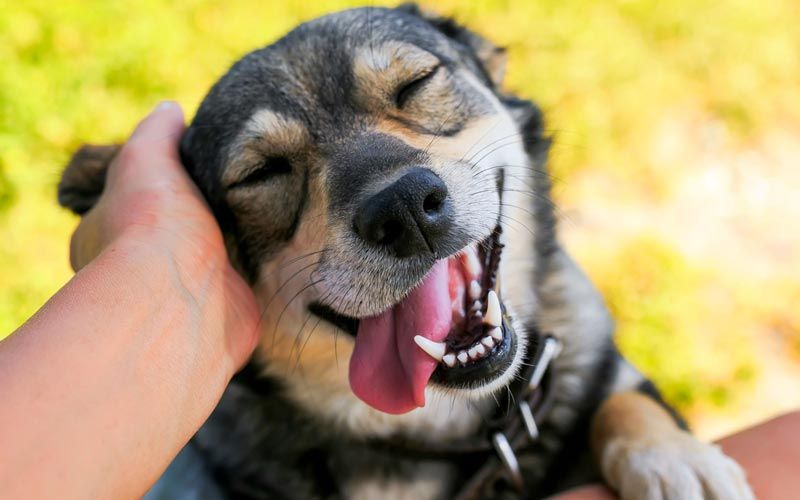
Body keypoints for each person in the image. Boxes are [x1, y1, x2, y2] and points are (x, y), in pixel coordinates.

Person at [0, 103, 797, 499]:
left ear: (500, 94)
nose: (397, 189)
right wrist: (153, 256)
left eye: (415, 90)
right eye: (266, 173)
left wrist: (632, 424)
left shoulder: (569, 326)